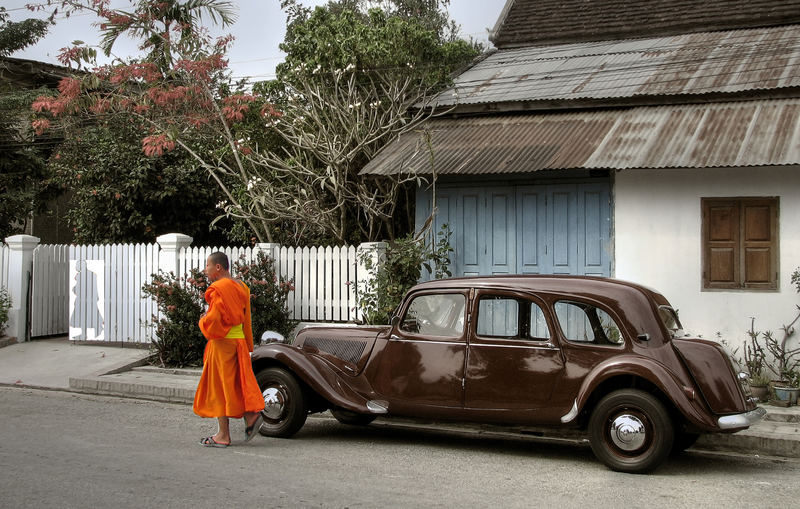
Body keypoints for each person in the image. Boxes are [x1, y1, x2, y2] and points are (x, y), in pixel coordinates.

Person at [193, 252, 265, 447]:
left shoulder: (218, 288)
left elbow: (214, 321)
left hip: (222, 343)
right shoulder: (241, 286)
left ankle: (223, 435)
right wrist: (248, 344)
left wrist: (202, 321)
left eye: (207, 266)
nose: (205, 270)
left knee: (219, 388)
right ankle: (250, 417)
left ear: (218, 267)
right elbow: (246, 319)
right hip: (238, 341)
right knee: (235, 384)